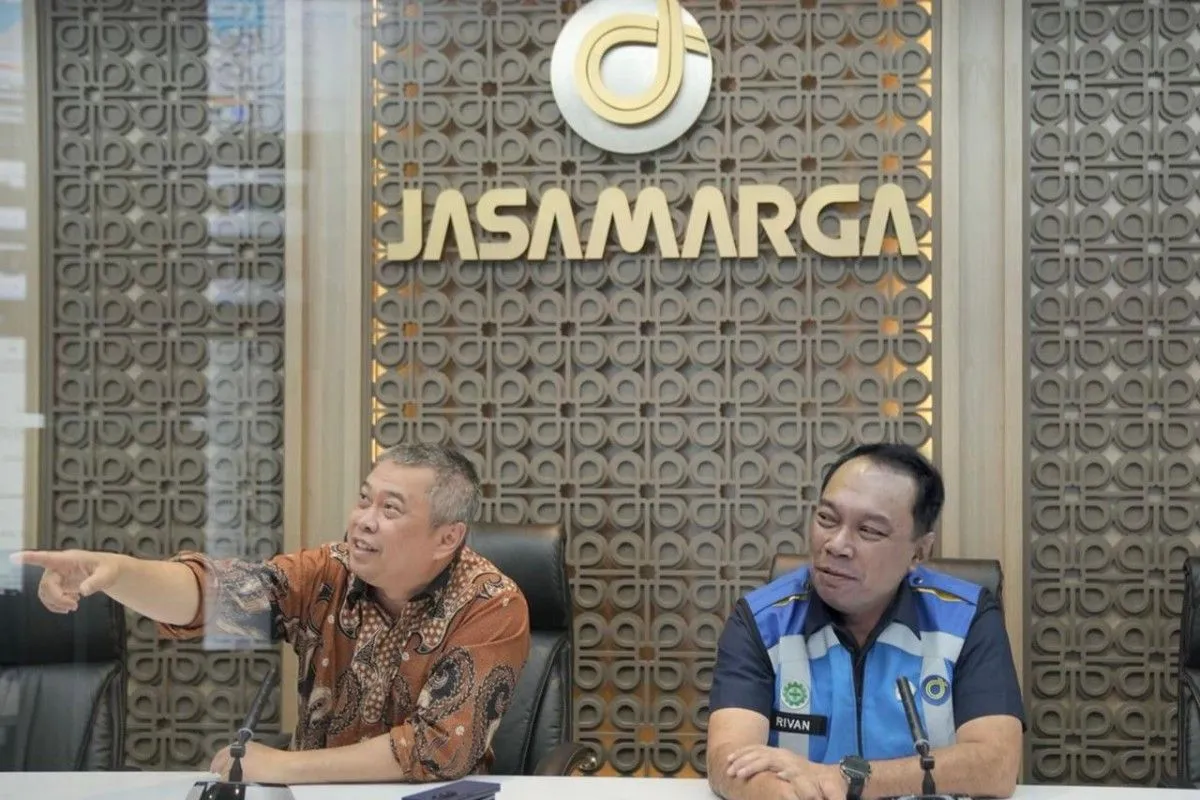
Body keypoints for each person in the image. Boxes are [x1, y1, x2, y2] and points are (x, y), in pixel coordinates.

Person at [10, 443, 530, 784]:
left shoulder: (491, 603)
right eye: (363, 500)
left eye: (389, 509)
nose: (363, 521)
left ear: (447, 537)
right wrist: (116, 572)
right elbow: (217, 595)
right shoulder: (328, 571)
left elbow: (438, 747)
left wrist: (285, 765)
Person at [706, 443, 1024, 800]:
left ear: (919, 551)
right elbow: (726, 761)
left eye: (869, 530)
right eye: (827, 519)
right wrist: (786, 795)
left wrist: (847, 779)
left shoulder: (966, 619)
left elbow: (996, 766)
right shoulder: (762, 620)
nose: (836, 544)